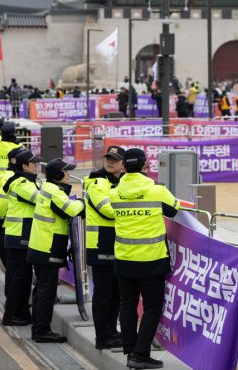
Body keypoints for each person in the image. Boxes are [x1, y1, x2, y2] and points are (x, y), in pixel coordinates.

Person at [100, 148, 178, 369]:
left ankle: (130, 351)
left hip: (124, 257)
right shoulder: (156, 190)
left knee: (127, 305)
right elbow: (174, 210)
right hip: (152, 259)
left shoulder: (115, 193)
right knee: (152, 308)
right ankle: (141, 354)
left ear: (124, 167)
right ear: (145, 165)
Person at [27, 158, 84, 343]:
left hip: (41, 246)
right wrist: (83, 202)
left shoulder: (48, 187)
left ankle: (38, 328)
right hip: (48, 248)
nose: (69, 175)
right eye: (66, 172)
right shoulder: (54, 192)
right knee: (47, 291)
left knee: (41, 290)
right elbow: (71, 210)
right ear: (58, 174)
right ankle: (42, 331)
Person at [84, 145, 125, 350]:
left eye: (115, 159)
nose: (110, 162)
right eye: (108, 158)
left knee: (115, 293)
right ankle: (102, 337)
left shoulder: (121, 182)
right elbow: (108, 211)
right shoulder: (97, 182)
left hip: (116, 243)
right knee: (103, 293)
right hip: (100, 243)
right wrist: (131, 211)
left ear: (122, 164)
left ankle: (112, 331)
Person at [1, 150, 43, 325]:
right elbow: (40, 199)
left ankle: (23, 313)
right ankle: (10, 315)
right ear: (24, 166)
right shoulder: (21, 182)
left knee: (24, 278)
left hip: (22, 235)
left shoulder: (28, 181)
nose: (36, 166)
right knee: (19, 278)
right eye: (33, 163)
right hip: (18, 235)